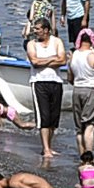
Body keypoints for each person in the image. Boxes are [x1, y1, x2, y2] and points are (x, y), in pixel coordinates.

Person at [24, 17, 69, 166]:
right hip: (39, 82)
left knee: (54, 118)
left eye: (37, 29)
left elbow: (63, 60)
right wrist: (52, 59)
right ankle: (46, 148)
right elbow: (35, 63)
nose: (34, 31)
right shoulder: (32, 44)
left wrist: (46, 60)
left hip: (56, 81)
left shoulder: (57, 41)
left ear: (46, 30)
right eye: (34, 29)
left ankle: (49, 146)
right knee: (44, 116)